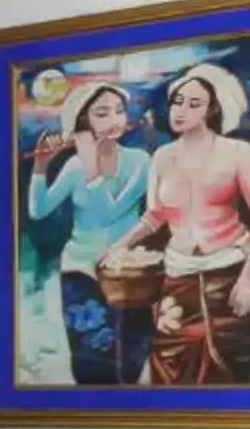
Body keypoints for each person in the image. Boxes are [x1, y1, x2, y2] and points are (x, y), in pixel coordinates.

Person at [104, 62, 250, 385]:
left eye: (194, 104)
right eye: (177, 102)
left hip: (229, 276)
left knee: (231, 364)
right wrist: (118, 247)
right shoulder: (163, 157)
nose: (181, 110)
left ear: (213, 108)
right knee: (171, 364)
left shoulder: (238, 152)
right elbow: (155, 215)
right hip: (177, 279)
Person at [25, 81, 154, 384]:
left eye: (120, 111)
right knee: (91, 366)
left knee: (131, 364)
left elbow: (110, 213)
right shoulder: (73, 165)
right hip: (80, 271)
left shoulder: (140, 161)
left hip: (127, 274)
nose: (115, 120)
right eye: (102, 113)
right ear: (83, 122)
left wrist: (91, 168)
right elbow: (38, 210)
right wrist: (41, 167)